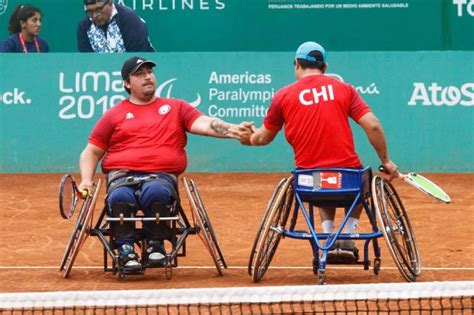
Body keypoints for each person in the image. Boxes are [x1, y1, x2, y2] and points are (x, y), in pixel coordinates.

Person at [78, 56, 252, 272]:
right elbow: (91, 151)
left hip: (160, 176)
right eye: (139, 74)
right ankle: (125, 250)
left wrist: (234, 130)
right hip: (122, 175)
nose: (147, 77)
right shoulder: (114, 114)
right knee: (120, 197)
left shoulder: (176, 108)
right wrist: (86, 180)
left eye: (149, 72)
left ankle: (155, 245)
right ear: (127, 83)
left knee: (157, 192)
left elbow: (205, 123)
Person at [240, 41, 399, 263]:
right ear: (324, 67)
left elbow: (261, 138)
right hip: (348, 180)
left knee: (321, 179)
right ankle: (347, 235)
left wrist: (247, 137)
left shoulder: (282, 96)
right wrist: (386, 161)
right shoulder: (345, 89)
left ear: (296, 64)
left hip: (308, 183)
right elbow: (372, 125)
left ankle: (329, 234)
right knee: (363, 179)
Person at [77, 0, 154, 52]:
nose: (95, 15)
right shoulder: (84, 27)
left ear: (110, 2)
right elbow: (87, 60)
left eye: (98, 9)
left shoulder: (129, 19)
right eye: (90, 11)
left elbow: (139, 56)